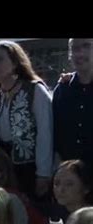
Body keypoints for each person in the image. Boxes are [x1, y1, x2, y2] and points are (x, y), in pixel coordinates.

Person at [0, 40, 53, 200]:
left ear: (15, 62)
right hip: (4, 169)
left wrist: (43, 173)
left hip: (31, 168)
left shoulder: (35, 90)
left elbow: (46, 133)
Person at [53, 38, 93, 169]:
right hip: (71, 177)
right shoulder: (61, 90)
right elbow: (56, 134)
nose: (80, 53)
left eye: (86, 46)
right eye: (75, 48)